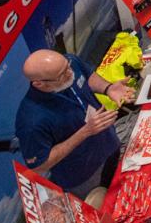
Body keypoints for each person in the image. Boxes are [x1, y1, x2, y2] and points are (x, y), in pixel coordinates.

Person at [16, 49, 132, 204]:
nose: (70, 73)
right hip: (85, 176)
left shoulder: (68, 63)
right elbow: (39, 166)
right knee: (112, 207)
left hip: (110, 145)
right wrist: (84, 132)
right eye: (62, 75)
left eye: (68, 66)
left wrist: (108, 88)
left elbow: (87, 77)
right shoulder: (30, 121)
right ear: (39, 83)